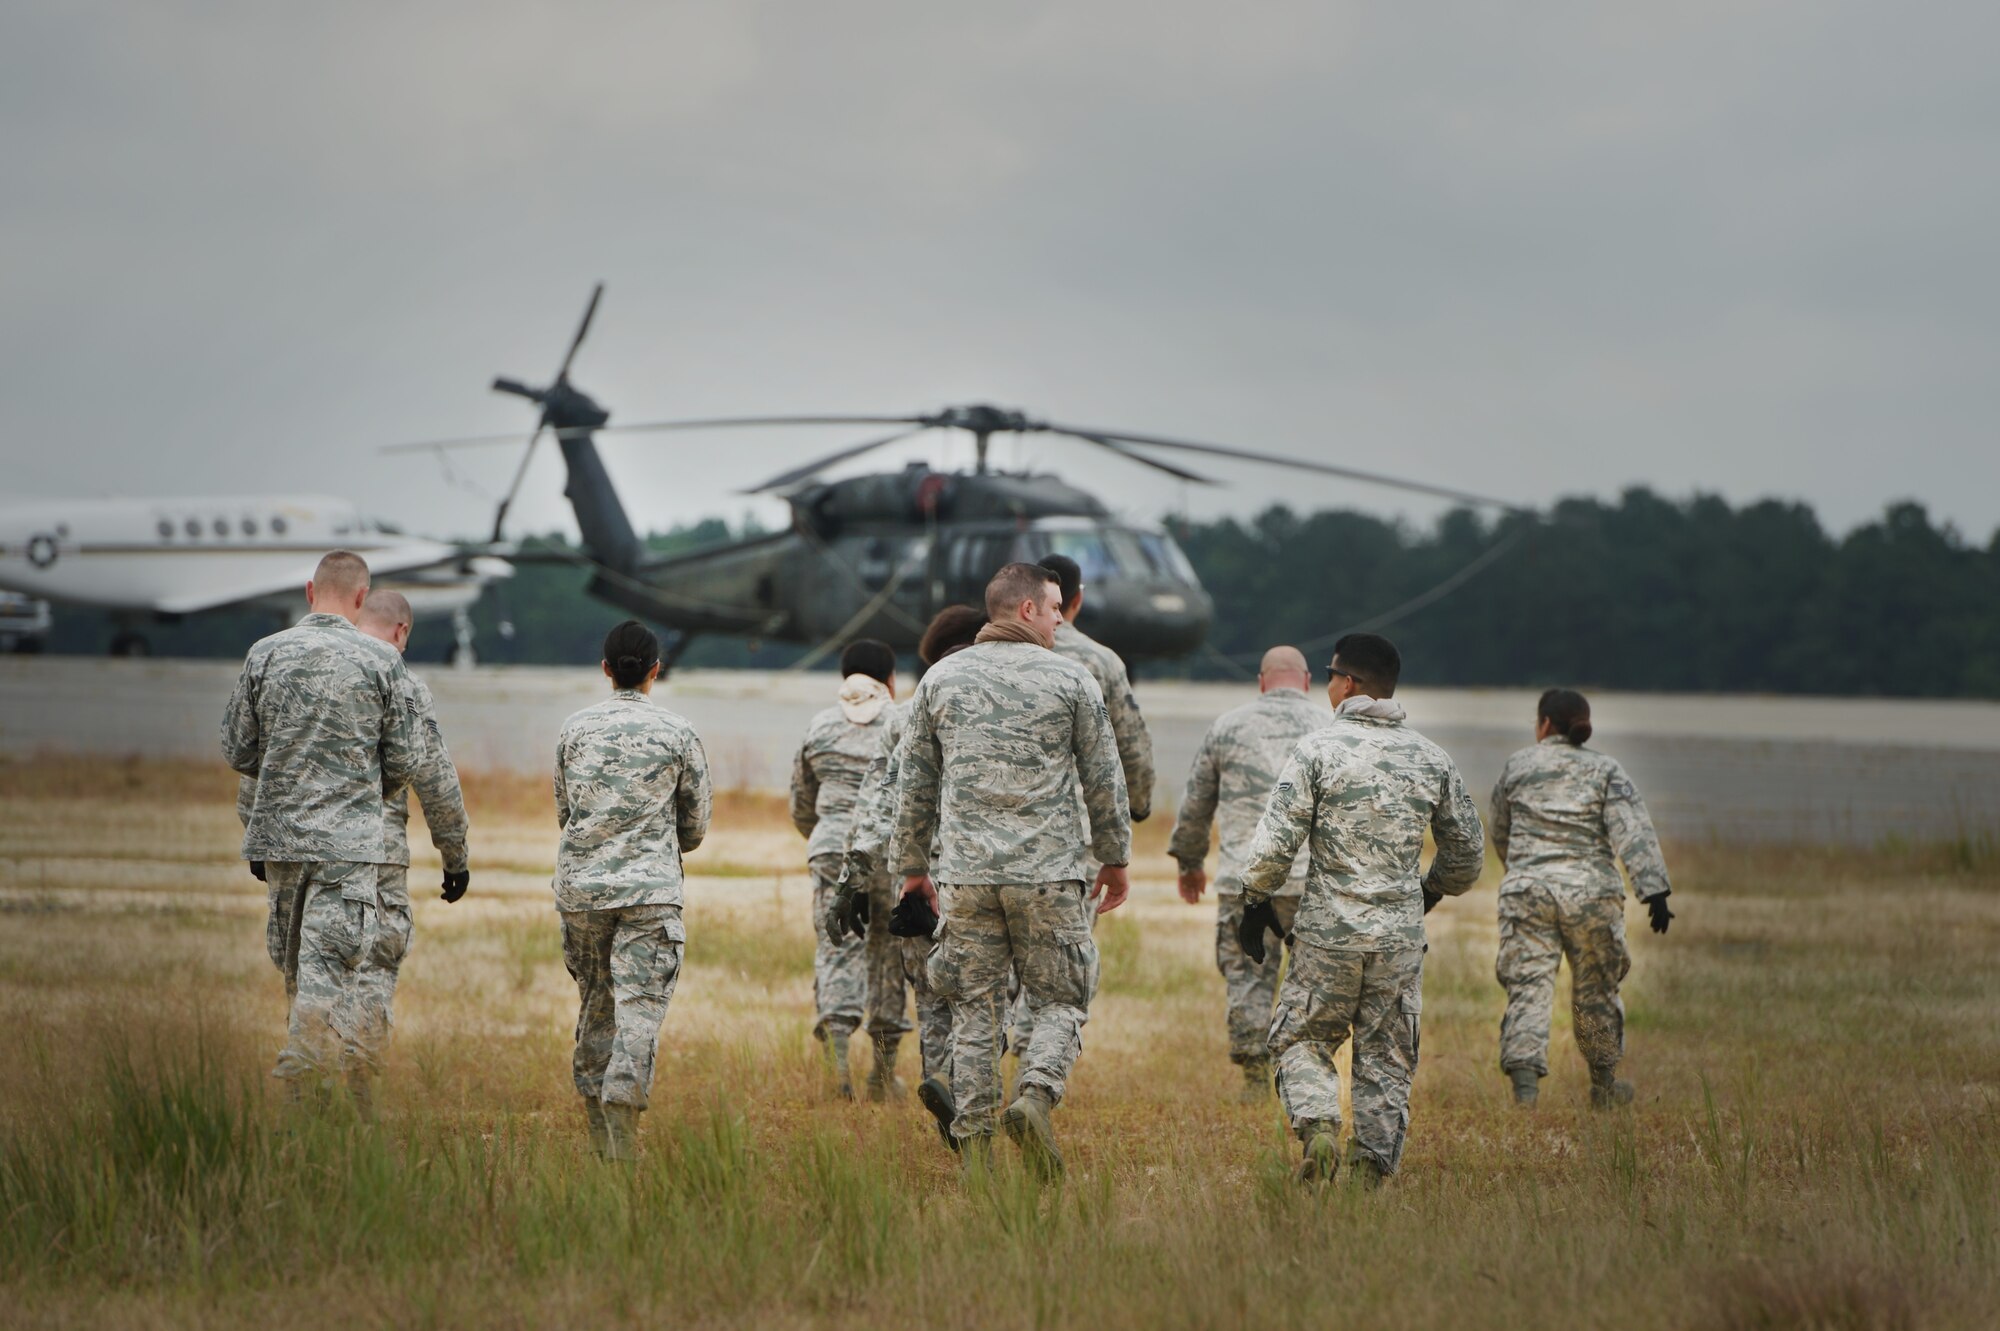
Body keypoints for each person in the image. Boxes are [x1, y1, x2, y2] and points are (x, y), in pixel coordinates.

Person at [893, 564, 1131, 1178]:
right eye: (1054, 607)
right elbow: (1104, 777)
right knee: (1061, 997)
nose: (1060, 618)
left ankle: (974, 1154)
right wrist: (1116, 858)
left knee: (974, 1008)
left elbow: (914, 785)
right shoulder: (1072, 679)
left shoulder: (938, 680)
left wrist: (914, 870)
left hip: (966, 876)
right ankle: (1035, 1095)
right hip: (1049, 873)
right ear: (1026, 610)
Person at [1239, 632, 1484, 1186]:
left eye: (1330, 675)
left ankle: (1320, 1129)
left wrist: (1255, 901)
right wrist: (1428, 892)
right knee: (1387, 1055)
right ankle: (1370, 1171)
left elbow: (1275, 842)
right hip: (1398, 938)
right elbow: (1467, 852)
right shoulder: (1431, 758)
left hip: (1328, 933)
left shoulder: (1318, 750)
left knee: (1302, 1038)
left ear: (1347, 684)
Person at [233, 588, 471, 1116]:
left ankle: (310, 1098)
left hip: (288, 842)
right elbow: (432, 775)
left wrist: (256, 833)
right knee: (371, 972)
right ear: (402, 632)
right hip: (373, 853)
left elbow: (258, 762)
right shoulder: (399, 678)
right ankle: (359, 1098)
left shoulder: (293, 663)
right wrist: (454, 855)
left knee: (306, 970)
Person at [221, 550, 422, 1104]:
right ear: (362, 599)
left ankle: (310, 1111)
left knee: (300, 975)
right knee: (326, 970)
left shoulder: (265, 654)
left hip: (281, 844)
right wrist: (359, 794)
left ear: (311, 591)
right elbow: (405, 758)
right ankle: (302, 1072)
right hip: (348, 847)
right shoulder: (382, 663)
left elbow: (238, 749)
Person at [552, 620, 712, 1161]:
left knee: (596, 1007)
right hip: (651, 893)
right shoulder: (678, 731)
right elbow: (695, 824)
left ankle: (600, 1138)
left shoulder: (574, 729)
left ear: (605, 670)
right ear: (654, 672)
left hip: (583, 893)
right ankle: (622, 1141)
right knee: (639, 1011)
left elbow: (564, 812)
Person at [835, 603, 986, 1147]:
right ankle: (972, 1101)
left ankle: (941, 1082)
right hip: (987, 881)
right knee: (987, 1003)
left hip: (919, 884)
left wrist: (855, 877)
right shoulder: (1004, 702)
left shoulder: (904, 713)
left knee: (932, 1000)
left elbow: (876, 803)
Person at [1490, 689, 1675, 1109]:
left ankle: (1525, 1095)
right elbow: (1634, 831)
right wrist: (1655, 891)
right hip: (1593, 895)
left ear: (1543, 725)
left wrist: (1521, 871)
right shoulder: (1606, 770)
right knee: (1596, 991)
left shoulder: (1518, 765)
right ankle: (1605, 1086)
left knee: (1528, 987)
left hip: (1529, 892)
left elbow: (1500, 828)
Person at [1167, 645, 1325, 1102]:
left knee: (1245, 974)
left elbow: (1196, 803)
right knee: (1310, 978)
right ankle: (1303, 1076)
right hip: (1309, 882)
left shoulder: (1228, 727)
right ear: (1308, 680)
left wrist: (1190, 863)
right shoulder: (1328, 730)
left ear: (1261, 681)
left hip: (1244, 879)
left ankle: (1255, 1077)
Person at [790, 638, 910, 1099]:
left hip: (831, 848)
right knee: (890, 956)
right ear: (891, 680)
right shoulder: (901, 721)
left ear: (844, 678)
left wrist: (825, 841)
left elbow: (801, 803)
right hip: (891, 852)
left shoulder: (820, 727)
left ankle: (835, 1070)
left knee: (837, 948)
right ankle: (882, 1076)